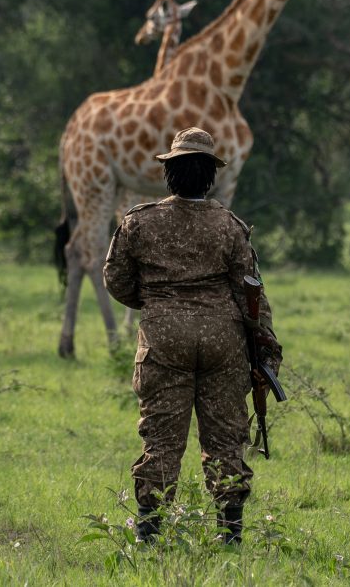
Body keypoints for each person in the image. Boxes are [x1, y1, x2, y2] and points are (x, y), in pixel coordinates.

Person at [103, 127, 282, 545]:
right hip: (224, 342)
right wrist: (268, 349)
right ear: (211, 176)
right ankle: (230, 535)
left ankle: (149, 535)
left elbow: (115, 279)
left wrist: (157, 303)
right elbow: (251, 294)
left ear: (169, 174)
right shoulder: (230, 225)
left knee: (161, 436)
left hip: (163, 342)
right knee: (224, 435)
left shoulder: (139, 222)